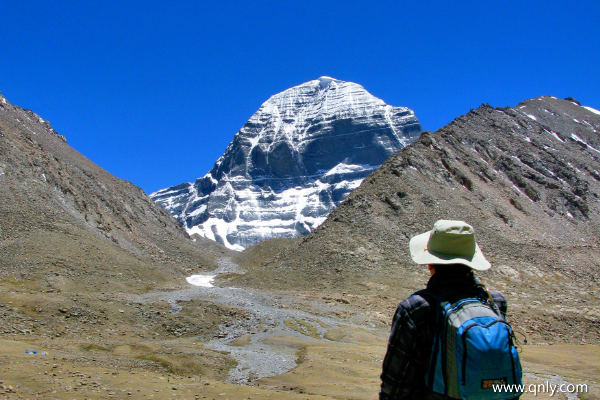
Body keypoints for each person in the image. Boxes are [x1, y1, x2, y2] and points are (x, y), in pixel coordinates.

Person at [379, 220, 517, 400]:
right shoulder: (495, 302)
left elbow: (395, 386)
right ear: (471, 262)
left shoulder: (415, 308)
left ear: (430, 263)